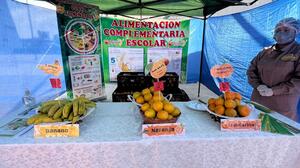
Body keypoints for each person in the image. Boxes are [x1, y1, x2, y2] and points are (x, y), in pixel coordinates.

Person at [247, 17, 300, 121]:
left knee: (277, 136)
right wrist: (257, 85)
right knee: (254, 134)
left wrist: (274, 91)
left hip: (282, 107)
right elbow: (251, 70)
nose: (281, 33)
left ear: (296, 31)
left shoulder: (298, 52)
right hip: (258, 102)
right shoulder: (265, 52)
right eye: (278, 30)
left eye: (286, 30)